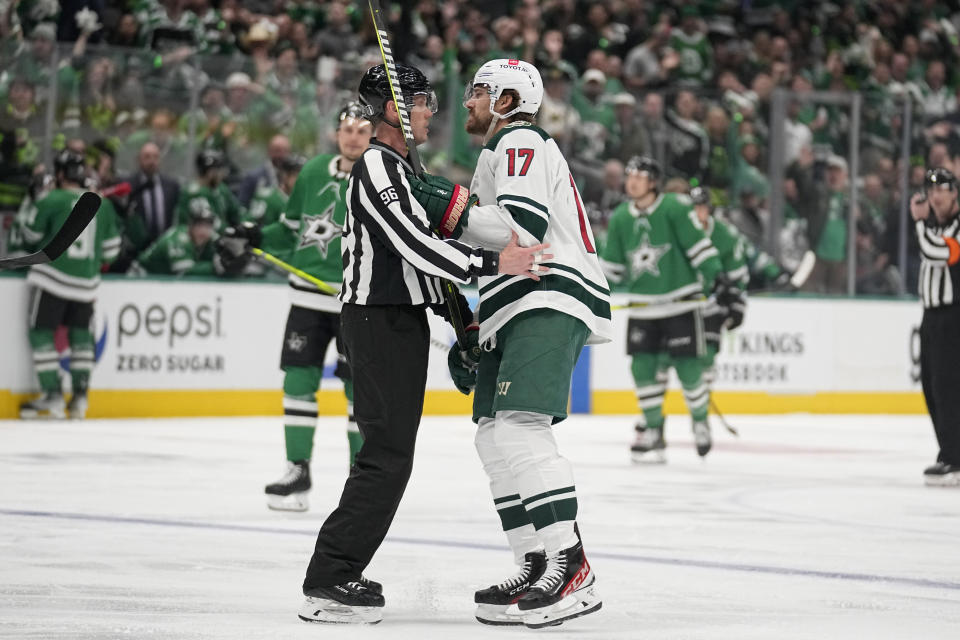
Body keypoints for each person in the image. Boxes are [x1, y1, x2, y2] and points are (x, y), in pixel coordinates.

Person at [296, 64, 548, 625]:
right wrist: (493, 261)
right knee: (385, 456)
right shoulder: (377, 167)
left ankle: (336, 571)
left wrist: (463, 324)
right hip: (376, 321)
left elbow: (427, 263)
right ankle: (330, 576)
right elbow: (415, 247)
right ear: (391, 108)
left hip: (397, 322)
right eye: (421, 101)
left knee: (390, 455)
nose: (431, 110)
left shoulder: (402, 167)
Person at [410, 58, 612, 629]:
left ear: (505, 100)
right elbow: (491, 244)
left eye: (478, 92)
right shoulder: (495, 153)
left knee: (521, 427)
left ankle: (571, 567)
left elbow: (524, 228)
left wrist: (446, 204)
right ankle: (535, 561)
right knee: (493, 438)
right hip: (514, 302)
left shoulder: (520, 139)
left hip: (547, 293)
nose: (468, 101)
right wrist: (475, 324)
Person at [255, 103, 373, 512]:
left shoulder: (380, 174)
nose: (353, 136)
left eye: (361, 128)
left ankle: (361, 482)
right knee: (298, 380)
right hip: (306, 296)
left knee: (359, 392)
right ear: (336, 132)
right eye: (346, 128)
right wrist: (249, 233)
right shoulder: (312, 171)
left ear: (373, 133)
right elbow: (289, 230)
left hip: (354, 300)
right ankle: (297, 471)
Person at [598, 156, 725, 463]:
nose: (632, 181)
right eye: (629, 175)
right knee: (642, 369)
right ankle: (654, 431)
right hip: (644, 308)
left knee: (689, 367)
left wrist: (715, 276)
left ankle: (699, 420)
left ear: (653, 182)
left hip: (681, 302)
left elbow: (698, 246)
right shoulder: (620, 218)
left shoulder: (675, 208)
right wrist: (595, 290)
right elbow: (612, 267)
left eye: (640, 176)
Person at [15, 150, 120, 419]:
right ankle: (80, 398)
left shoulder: (52, 199)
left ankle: (51, 395)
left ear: (59, 174)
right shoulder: (102, 203)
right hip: (87, 284)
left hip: (52, 279)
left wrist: (34, 200)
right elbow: (111, 251)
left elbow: (29, 235)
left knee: (41, 333)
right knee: (82, 337)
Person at [910, 168, 960, 486]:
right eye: (931, 191)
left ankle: (954, 457)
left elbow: (938, 252)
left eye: (941, 189)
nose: (935, 196)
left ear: (954, 193)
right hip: (930, 317)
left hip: (953, 316)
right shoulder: (934, 225)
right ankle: (948, 452)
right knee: (931, 386)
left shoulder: (955, 227)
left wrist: (917, 221)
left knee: (948, 387)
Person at [689, 186, 748, 389]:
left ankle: (702, 409)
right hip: (680, 304)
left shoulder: (725, 235)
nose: (698, 212)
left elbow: (737, 276)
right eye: (694, 208)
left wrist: (736, 300)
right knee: (662, 358)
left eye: (702, 207)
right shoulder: (677, 232)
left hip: (709, 305)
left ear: (709, 209)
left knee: (707, 355)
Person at [132, 203, 218, 276]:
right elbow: (184, 273)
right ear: (190, 225)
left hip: (161, 281)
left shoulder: (209, 238)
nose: (203, 231)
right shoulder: (178, 240)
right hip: (140, 278)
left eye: (208, 226)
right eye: (199, 225)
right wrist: (216, 266)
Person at [174, 148, 243, 232]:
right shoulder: (192, 193)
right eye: (219, 170)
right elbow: (186, 225)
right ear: (210, 172)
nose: (222, 174)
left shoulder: (221, 188)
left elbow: (236, 212)